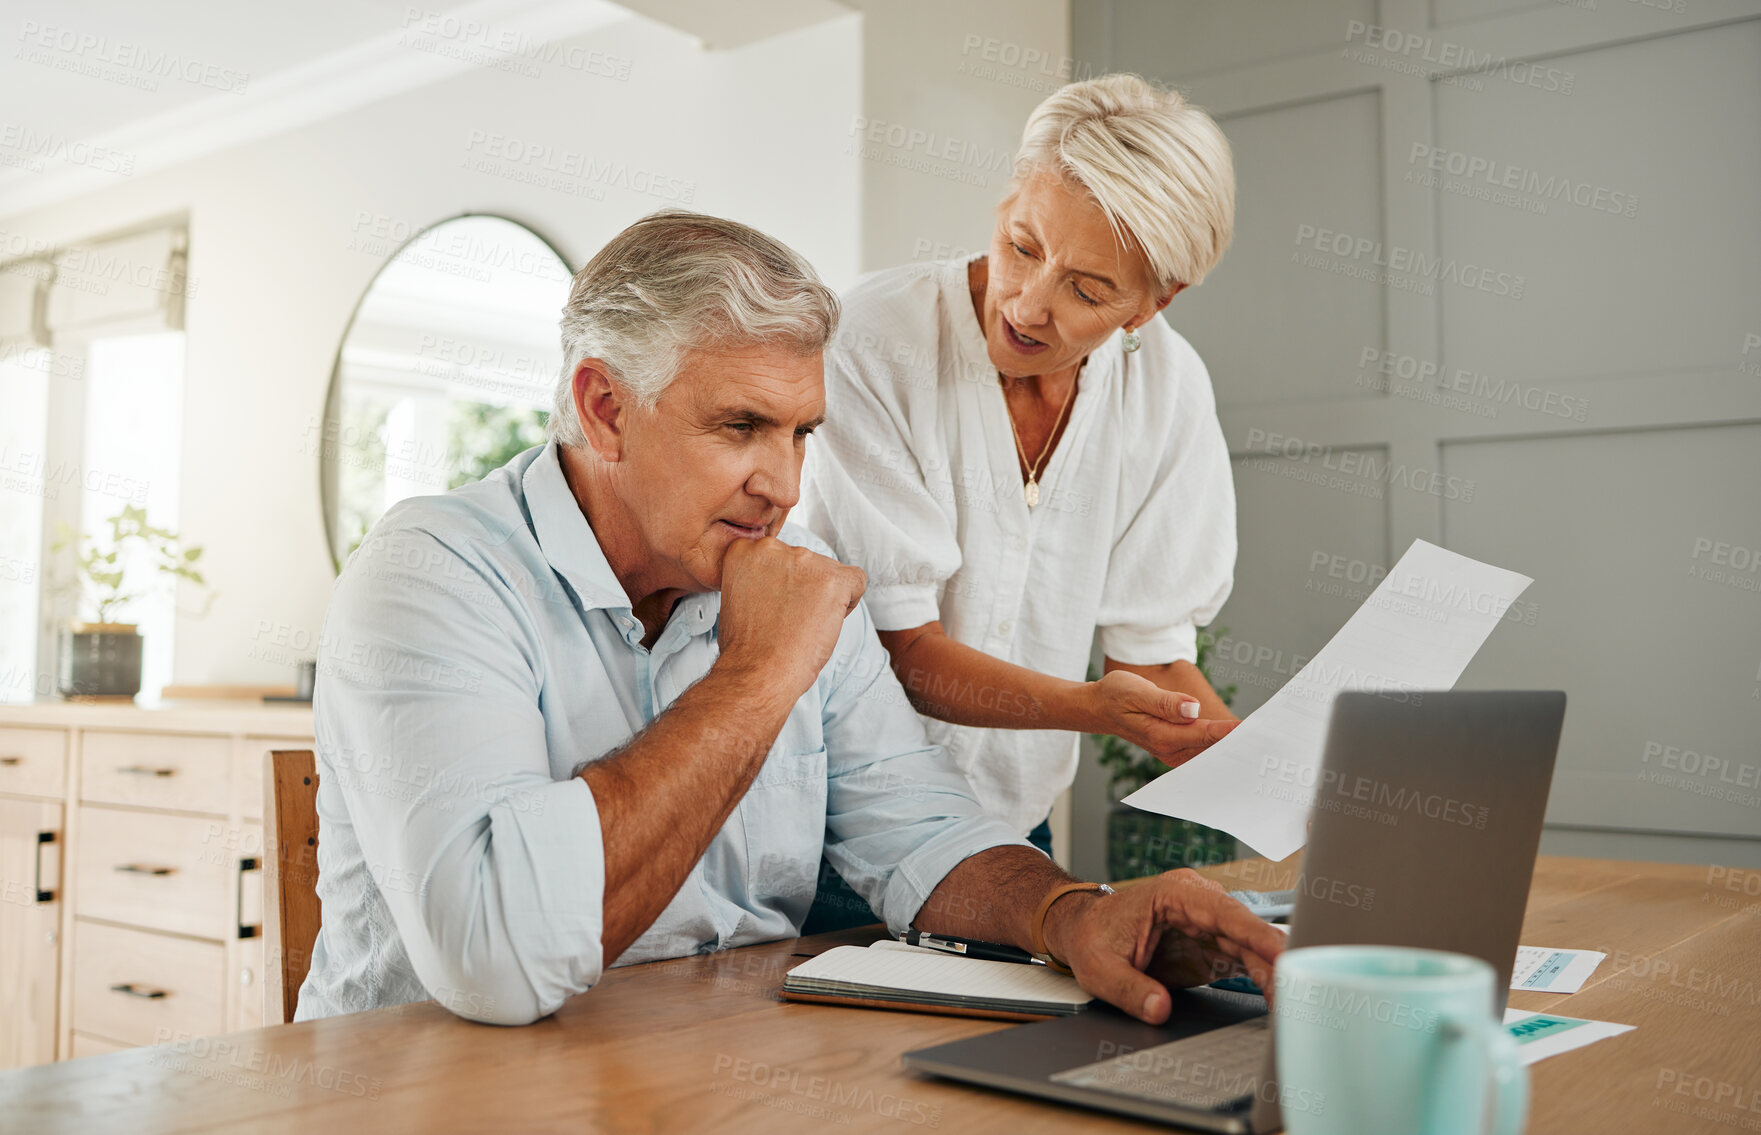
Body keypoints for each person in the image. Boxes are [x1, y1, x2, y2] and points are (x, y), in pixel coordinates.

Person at [294, 210, 1281, 1029]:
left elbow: (919, 832)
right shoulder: (430, 573)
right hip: (420, 1092)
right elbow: (494, 963)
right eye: (740, 428)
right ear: (603, 407)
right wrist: (756, 678)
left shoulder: (791, 581)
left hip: (702, 1073)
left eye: (803, 432)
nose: (784, 483)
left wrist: (1072, 913)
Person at [798, 75, 1241, 928]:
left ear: (1157, 301)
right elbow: (903, 650)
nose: (1026, 304)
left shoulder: (1166, 387)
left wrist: (1270, 772)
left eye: (1087, 289)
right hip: (838, 833)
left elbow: (1149, 653)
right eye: (1022, 244)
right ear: (1006, 199)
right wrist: (1087, 708)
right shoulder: (875, 340)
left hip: (1011, 838)